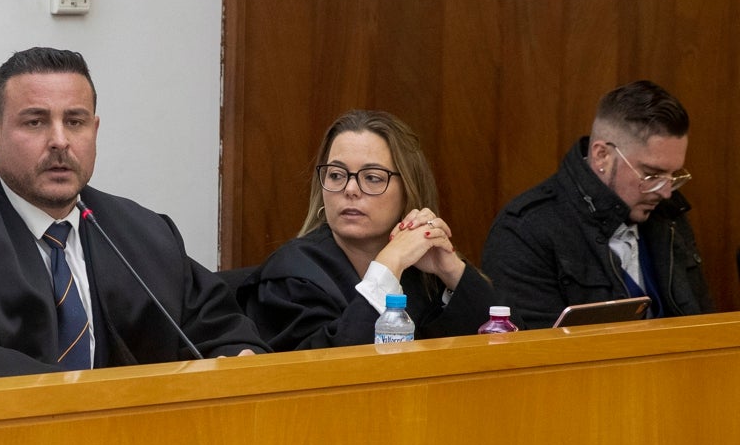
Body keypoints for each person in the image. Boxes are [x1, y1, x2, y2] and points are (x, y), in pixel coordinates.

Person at [0, 46, 268, 384]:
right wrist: (91, 400)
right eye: (35, 122)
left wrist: (236, 357)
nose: (60, 141)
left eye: (75, 122)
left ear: (95, 130)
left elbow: (222, 330)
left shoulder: (142, 234)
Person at [239, 109, 496, 349]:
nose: (350, 189)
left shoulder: (423, 271)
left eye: (372, 178)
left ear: (408, 190)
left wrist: (451, 271)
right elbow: (332, 374)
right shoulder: (289, 279)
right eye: (337, 175)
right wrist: (388, 265)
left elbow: (508, 346)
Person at [481, 80, 712, 329]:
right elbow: (534, 354)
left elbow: (704, 323)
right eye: (652, 175)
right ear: (602, 155)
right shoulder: (524, 232)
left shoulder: (670, 218)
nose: (666, 192)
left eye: (674, 176)